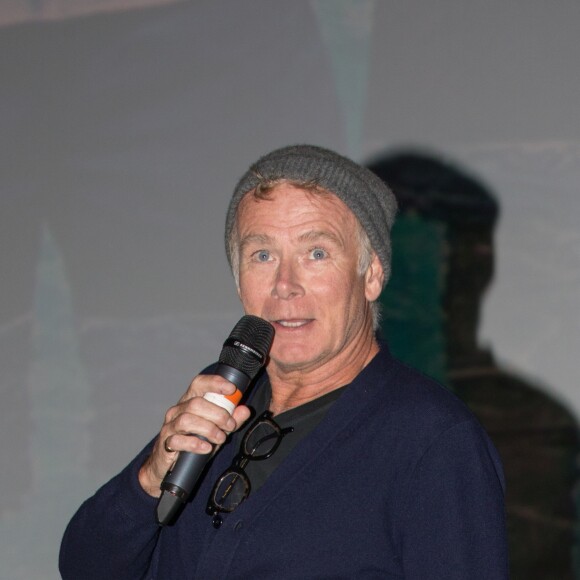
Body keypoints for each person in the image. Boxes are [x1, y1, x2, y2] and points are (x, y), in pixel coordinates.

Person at [59, 145, 509, 579]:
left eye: (316, 253)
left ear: (371, 274)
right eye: (263, 255)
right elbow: (85, 566)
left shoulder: (431, 440)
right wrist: (151, 476)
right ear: (239, 281)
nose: (285, 285)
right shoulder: (222, 398)